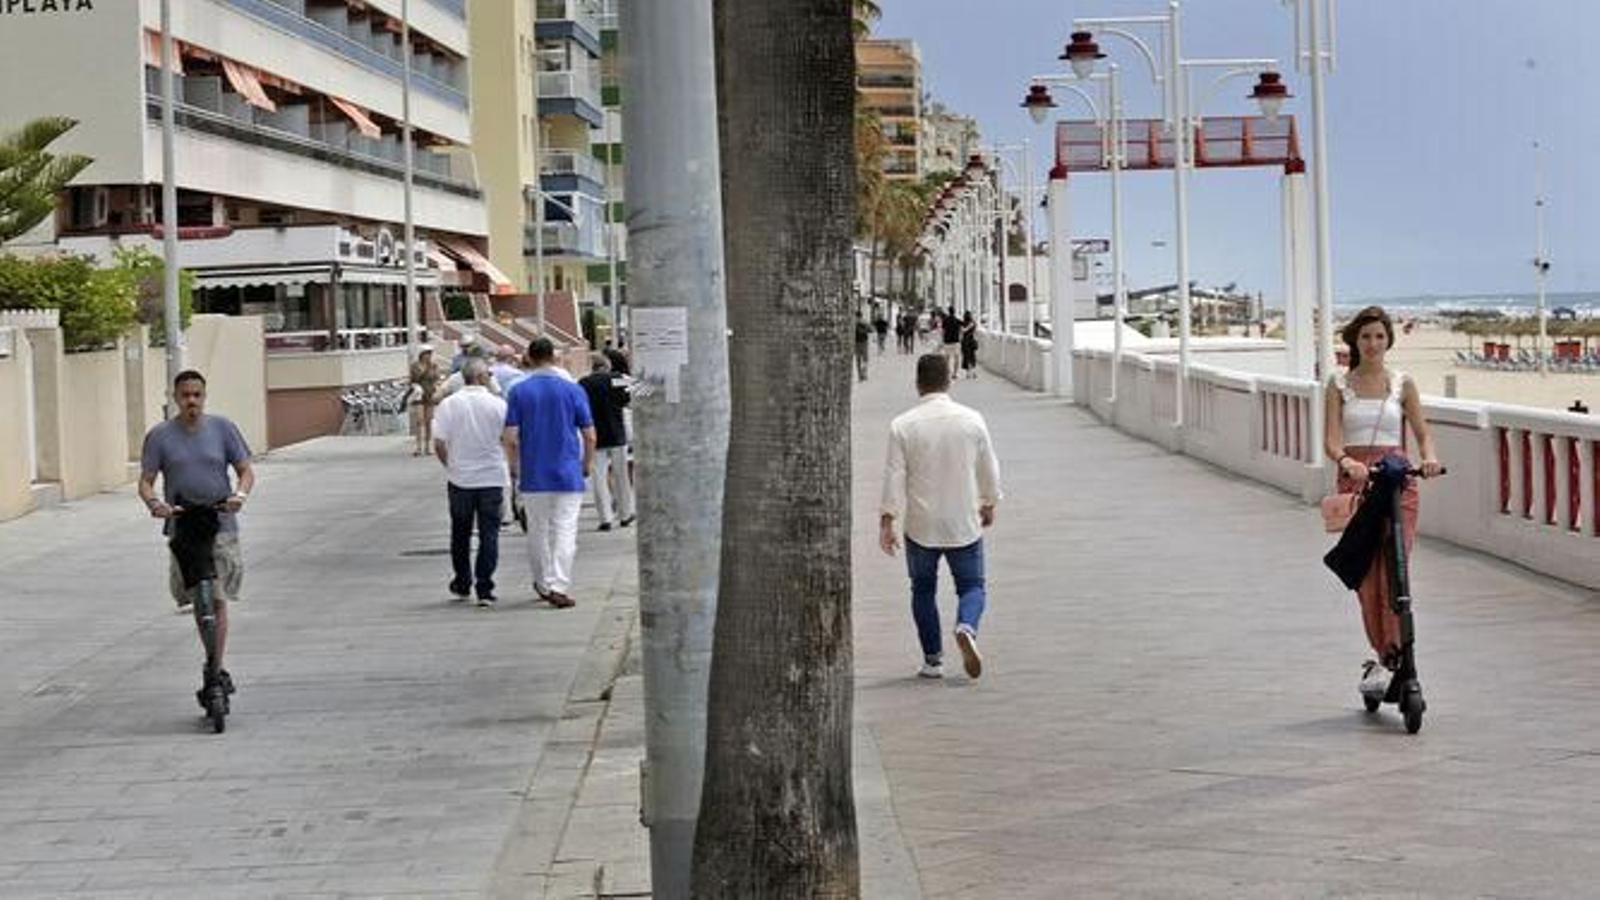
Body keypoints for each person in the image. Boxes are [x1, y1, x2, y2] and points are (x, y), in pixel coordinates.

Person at [1322, 305, 1443, 697]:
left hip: (1396, 478)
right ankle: (1384, 653)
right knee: (1368, 575)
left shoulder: (1402, 383)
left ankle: (1400, 653)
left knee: (1397, 566)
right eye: (1365, 337)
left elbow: (1422, 434)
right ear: (1355, 341)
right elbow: (1331, 440)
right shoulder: (1339, 384)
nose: (1373, 343)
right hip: (1358, 479)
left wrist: (1428, 459)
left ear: (1388, 340)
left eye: (1379, 336)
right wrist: (1346, 461)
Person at [879, 354, 1003, 680]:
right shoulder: (972, 419)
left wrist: (887, 521)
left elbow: (893, 476)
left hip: (921, 524)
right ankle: (966, 626)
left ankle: (933, 661)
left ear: (917, 383)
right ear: (950, 380)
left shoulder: (902, 425)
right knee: (973, 586)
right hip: (963, 519)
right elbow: (988, 467)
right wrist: (989, 502)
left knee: (922, 590)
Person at [138, 370, 254, 707]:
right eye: (185, 395)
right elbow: (146, 480)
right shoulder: (160, 436)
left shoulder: (223, 429)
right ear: (176, 397)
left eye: (197, 395)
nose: (192, 401)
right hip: (183, 525)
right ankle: (214, 665)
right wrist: (154, 503)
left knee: (217, 599)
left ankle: (214, 669)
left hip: (220, 523)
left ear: (205, 396)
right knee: (199, 600)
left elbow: (246, 470)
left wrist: (239, 496)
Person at [503, 337, 596, 609]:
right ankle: (559, 584)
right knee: (566, 530)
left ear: (529, 359)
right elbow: (589, 435)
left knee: (537, 531)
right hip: (568, 470)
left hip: (534, 472)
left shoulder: (519, 391)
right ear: (554, 358)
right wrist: (586, 464)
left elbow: (510, 436)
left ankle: (542, 583)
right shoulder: (573, 390)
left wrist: (514, 466)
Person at [432, 358, 510, 608]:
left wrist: (450, 465)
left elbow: (439, 442)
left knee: (460, 532)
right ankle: (485, 586)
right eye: (487, 373)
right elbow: (508, 438)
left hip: (460, 478)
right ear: (480, 377)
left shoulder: (448, 405)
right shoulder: (498, 405)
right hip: (491, 477)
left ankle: (463, 581)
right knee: (490, 533)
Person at [579, 353, 636, 532]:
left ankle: (605, 518)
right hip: (617, 432)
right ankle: (626, 513)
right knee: (622, 476)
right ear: (607, 366)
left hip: (596, 434)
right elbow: (627, 400)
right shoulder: (618, 379)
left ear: (593, 366)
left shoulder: (584, 383)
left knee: (599, 478)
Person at [409, 346, 443, 456]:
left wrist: (437, 380)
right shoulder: (415, 365)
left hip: (429, 393)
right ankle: (418, 447)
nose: (428, 356)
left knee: (429, 420)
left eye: (430, 353)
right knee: (420, 420)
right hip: (419, 394)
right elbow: (414, 378)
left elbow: (437, 377)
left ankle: (428, 446)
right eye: (426, 353)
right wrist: (424, 370)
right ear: (421, 354)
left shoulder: (434, 365)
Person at [939, 305, 962, 374]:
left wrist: (942, 339)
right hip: (956, 341)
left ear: (948, 311)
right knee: (956, 358)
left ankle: (947, 372)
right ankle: (955, 373)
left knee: (947, 358)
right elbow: (963, 328)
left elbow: (943, 331)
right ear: (954, 312)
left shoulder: (945, 320)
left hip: (947, 341)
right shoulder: (957, 320)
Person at [959, 311, 979, 379]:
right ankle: (974, 373)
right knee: (972, 356)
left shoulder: (963, 323)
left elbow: (962, 331)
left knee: (966, 357)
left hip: (965, 341)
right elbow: (975, 333)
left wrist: (965, 328)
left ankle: (968, 374)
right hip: (971, 341)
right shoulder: (973, 323)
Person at [855, 315, 872, 382]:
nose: (857, 319)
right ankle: (860, 375)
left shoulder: (864, 324)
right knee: (858, 360)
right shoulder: (853, 325)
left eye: (858, 318)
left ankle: (864, 372)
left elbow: (871, 330)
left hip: (864, 343)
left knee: (865, 359)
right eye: (856, 318)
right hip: (856, 343)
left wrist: (865, 327)